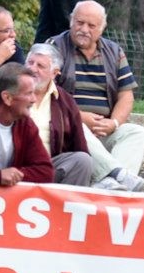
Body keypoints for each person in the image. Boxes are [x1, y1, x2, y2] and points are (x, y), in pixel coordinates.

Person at [47, 0, 144, 191]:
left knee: (137, 133)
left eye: (91, 25)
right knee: (78, 125)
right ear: (71, 21)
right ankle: (114, 175)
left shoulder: (114, 51)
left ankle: (111, 186)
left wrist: (113, 123)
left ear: (102, 28)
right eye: (80, 22)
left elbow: (126, 96)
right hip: (67, 128)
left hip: (102, 129)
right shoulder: (54, 47)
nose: (84, 29)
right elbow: (44, 92)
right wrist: (79, 117)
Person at [24, 43, 93, 186]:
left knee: (83, 160)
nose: (33, 69)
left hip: (48, 168)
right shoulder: (7, 89)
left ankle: (66, 200)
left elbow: (79, 145)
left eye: (40, 66)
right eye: (30, 63)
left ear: (54, 73)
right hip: (11, 166)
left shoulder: (65, 101)